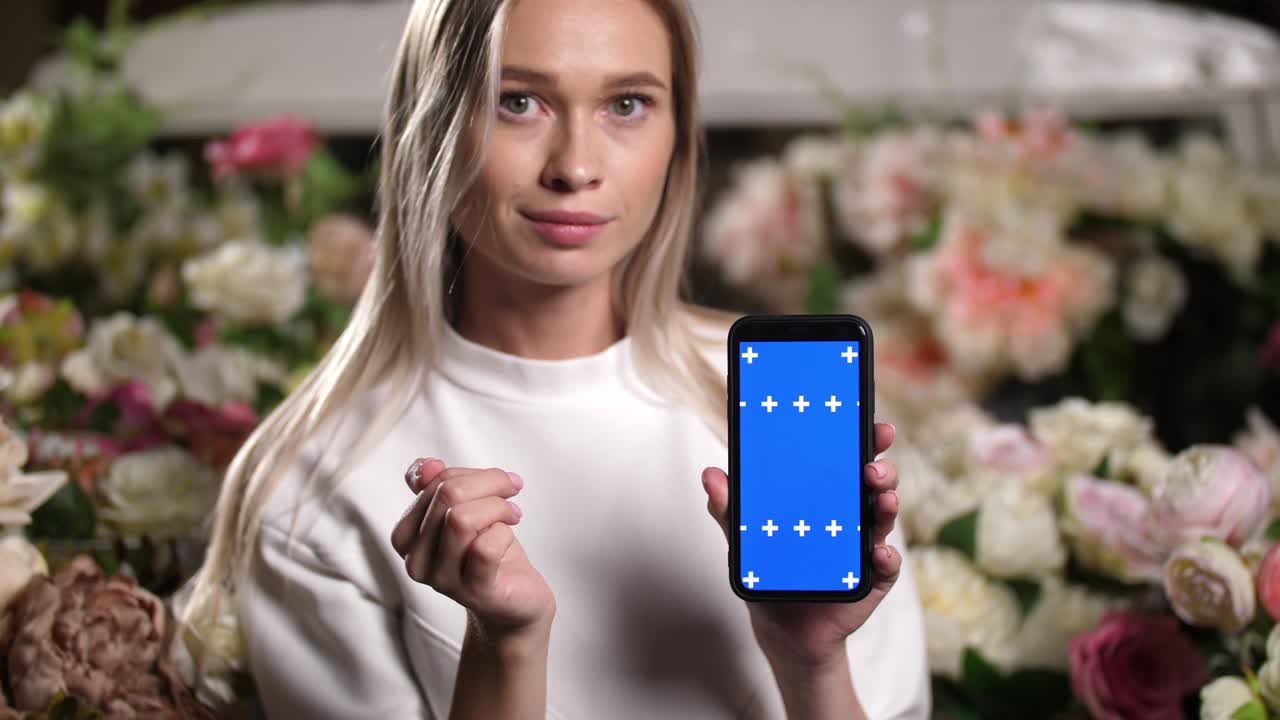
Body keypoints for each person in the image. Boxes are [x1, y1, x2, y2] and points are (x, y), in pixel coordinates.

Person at [186, 0, 931, 717]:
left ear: (677, 131)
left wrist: (812, 665)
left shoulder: (792, 402)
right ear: (433, 124)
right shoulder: (316, 483)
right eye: (518, 101)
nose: (576, 167)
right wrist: (503, 646)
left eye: (627, 105)